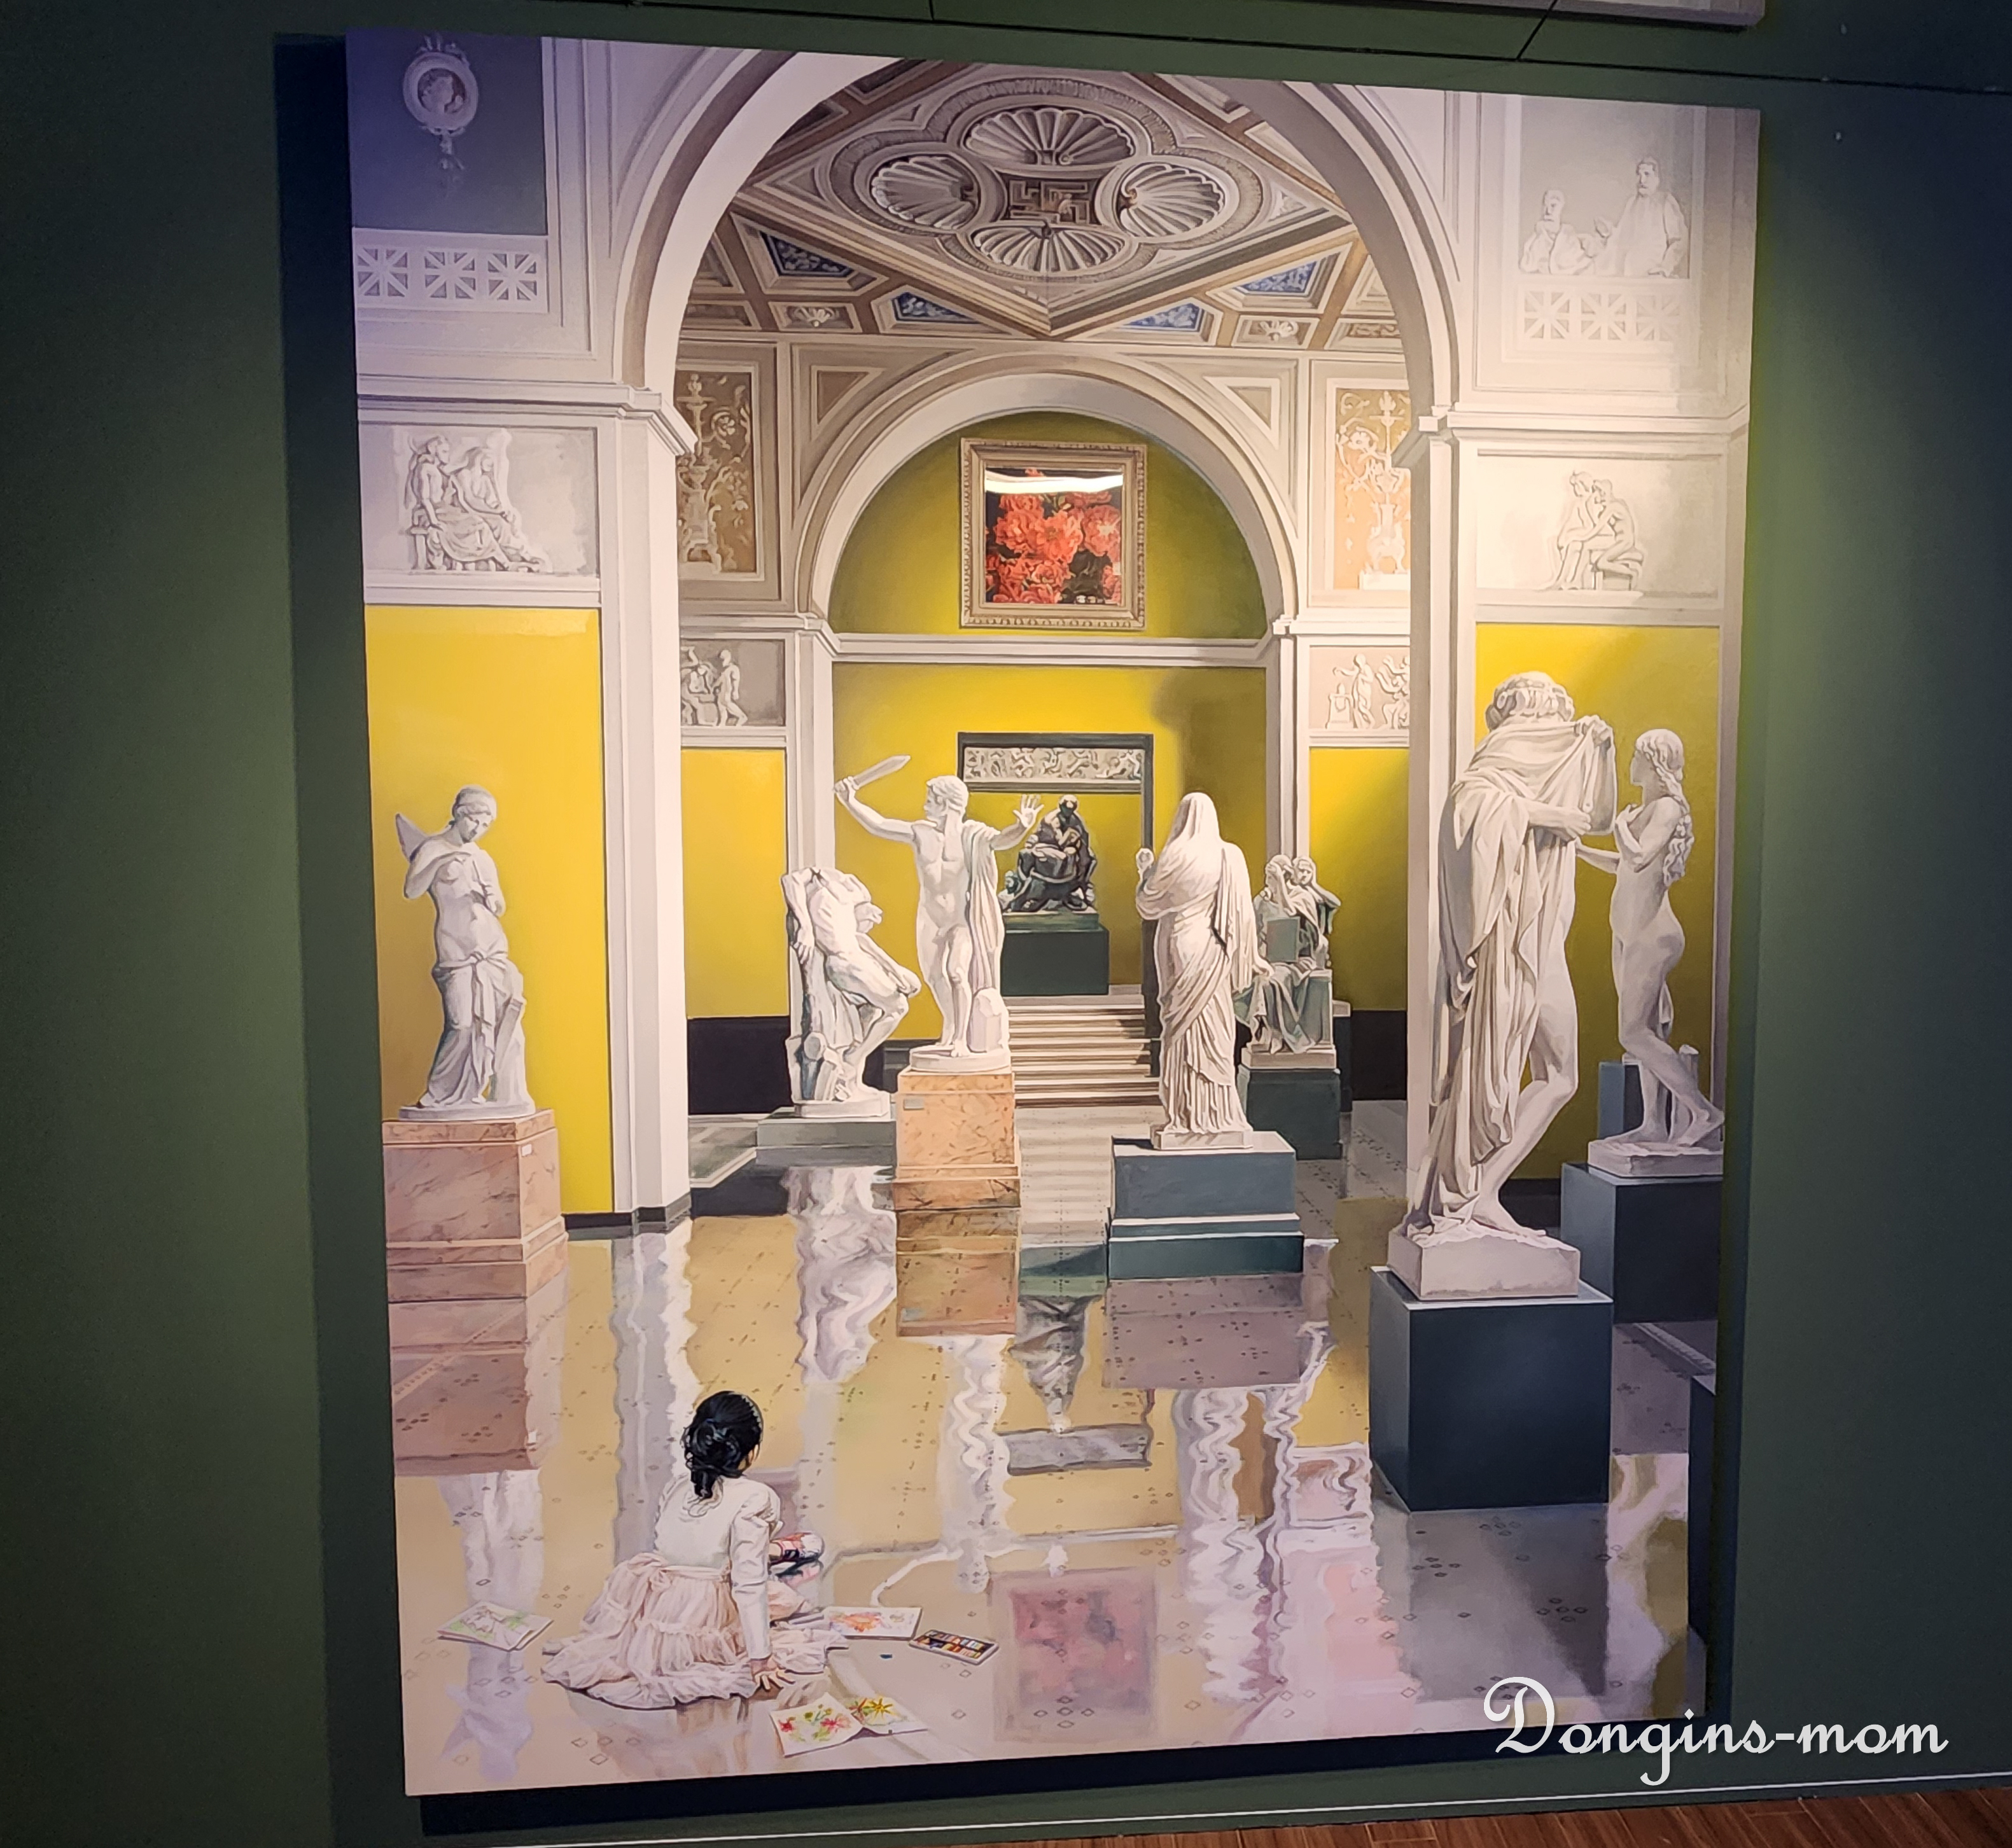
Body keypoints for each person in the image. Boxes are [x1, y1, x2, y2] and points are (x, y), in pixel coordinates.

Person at [1408, 672, 1615, 1235]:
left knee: (1561, 1074)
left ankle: (1482, 1189)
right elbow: (1468, 815)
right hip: (1509, 946)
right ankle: (1476, 1192)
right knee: (1538, 1071)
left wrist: (1604, 752)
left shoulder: (1555, 769)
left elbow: (1598, 820)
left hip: (1543, 943)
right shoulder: (1493, 769)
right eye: (1550, 712)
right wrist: (1543, 816)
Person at [544, 1393, 828, 1709]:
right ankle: (782, 1551)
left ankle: (777, 1551)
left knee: (753, 1575)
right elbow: (748, 1585)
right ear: (752, 1451)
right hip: (707, 1603)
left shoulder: (678, 1485)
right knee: (782, 1602)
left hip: (662, 1600)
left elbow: (686, 1547)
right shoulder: (756, 1497)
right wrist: (760, 1658)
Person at [1577, 729, 1723, 1146]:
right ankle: (1654, 1123)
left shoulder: (1667, 809)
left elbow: (1639, 857)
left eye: (1638, 756)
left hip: (1653, 936)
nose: (1632, 764)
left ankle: (1704, 1111)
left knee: (1633, 1032)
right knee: (1649, 1035)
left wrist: (1620, 826)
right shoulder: (1644, 811)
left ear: (1656, 764)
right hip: (1627, 934)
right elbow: (1623, 864)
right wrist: (1579, 851)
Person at [835, 772, 1038, 1065]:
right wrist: (850, 801)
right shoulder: (921, 833)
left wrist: (1022, 827)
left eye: (931, 800)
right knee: (934, 976)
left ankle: (960, 1039)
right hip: (930, 919)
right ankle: (952, 1024)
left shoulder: (972, 835)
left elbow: (1000, 841)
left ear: (947, 804)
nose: (925, 805)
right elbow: (879, 825)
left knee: (957, 973)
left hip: (961, 920)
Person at [1135, 793, 1264, 1143]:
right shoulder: (1228, 855)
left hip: (1179, 943)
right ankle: (1217, 1115)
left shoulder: (1174, 855)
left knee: (1179, 1027)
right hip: (1212, 947)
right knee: (1216, 1028)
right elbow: (1242, 917)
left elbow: (1147, 903)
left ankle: (1185, 1115)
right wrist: (1250, 957)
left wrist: (1145, 871)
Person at [398, 785, 529, 1113]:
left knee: (492, 1026)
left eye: (485, 825)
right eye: (474, 821)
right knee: (461, 1025)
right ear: (458, 814)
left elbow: (499, 906)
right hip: (456, 951)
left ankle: (476, 1092)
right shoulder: (433, 849)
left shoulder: (482, 858)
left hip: (492, 949)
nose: (478, 830)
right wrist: (442, 860)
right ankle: (439, 1096)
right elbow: (412, 890)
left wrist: (491, 898)